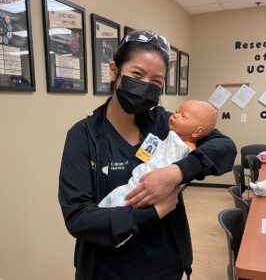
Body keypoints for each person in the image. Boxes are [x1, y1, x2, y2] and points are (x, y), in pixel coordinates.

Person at [58, 30, 237, 280]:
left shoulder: (165, 124)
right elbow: (78, 218)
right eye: (136, 75)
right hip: (108, 269)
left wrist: (176, 172)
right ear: (114, 70)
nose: (144, 87)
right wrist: (154, 211)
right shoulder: (83, 136)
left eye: (155, 83)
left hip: (166, 264)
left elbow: (224, 147)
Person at [98, 99, 217, 208]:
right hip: (137, 179)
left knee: (123, 201)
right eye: (177, 111)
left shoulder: (186, 148)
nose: (175, 116)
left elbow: (167, 168)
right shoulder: (172, 135)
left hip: (146, 185)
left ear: (197, 132)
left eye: (183, 116)